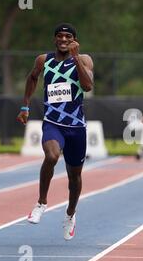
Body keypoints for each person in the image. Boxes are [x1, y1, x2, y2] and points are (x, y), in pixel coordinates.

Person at [16, 23, 94, 240]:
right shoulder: (44, 60)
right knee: (51, 156)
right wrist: (25, 106)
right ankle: (41, 203)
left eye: (68, 37)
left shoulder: (84, 59)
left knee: (74, 176)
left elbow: (87, 86)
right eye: (59, 36)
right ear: (54, 39)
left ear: (75, 40)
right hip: (53, 122)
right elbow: (32, 77)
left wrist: (76, 57)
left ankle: (70, 214)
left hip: (76, 127)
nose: (63, 40)